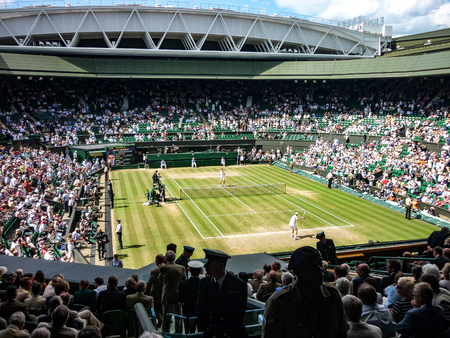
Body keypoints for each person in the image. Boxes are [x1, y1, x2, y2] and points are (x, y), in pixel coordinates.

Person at [262, 246, 347, 337]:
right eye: (312, 266)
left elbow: (341, 332)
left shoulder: (332, 295)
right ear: (297, 271)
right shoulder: (278, 302)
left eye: (320, 264)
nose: (320, 270)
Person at [197, 249, 248, 338]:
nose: (205, 266)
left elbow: (237, 316)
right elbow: (200, 309)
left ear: (220, 266)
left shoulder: (239, 285)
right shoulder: (204, 283)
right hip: (211, 333)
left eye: (209, 264)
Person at [158, 250, 186, 333]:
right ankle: (179, 333)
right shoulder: (181, 268)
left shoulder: (163, 267)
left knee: (166, 316)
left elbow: (159, 280)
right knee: (178, 316)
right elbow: (184, 280)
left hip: (167, 294)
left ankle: (166, 333)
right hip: (178, 294)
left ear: (166, 258)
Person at [178, 261, 204, 334]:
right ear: (200, 271)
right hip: (200, 313)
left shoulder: (183, 284)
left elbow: (180, 299)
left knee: (188, 333)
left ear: (190, 270)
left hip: (188, 312)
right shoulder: (203, 283)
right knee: (201, 333)